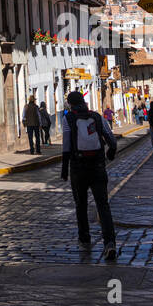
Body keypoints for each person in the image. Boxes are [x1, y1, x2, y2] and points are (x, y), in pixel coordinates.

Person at [61, 90, 118, 260]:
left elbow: (66, 146)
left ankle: (85, 239)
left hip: (78, 168)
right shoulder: (97, 117)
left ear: (70, 104)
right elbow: (111, 140)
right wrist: (110, 154)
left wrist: (65, 170)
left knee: (81, 205)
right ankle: (109, 243)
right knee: (103, 205)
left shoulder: (68, 118)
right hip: (98, 167)